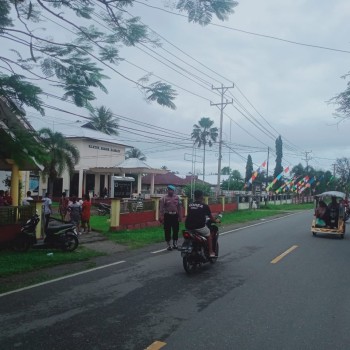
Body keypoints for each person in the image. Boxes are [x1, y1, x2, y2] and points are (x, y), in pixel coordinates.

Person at [185, 190, 218, 258]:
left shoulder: (190, 205)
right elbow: (211, 217)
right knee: (209, 234)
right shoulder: (204, 206)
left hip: (188, 226)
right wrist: (216, 221)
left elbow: (191, 214)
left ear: (194, 196)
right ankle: (211, 252)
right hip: (199, 227)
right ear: (201, 196)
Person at [159, 184, 182, 250]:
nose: (170, 191)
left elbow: (179, 207)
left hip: (175, 216)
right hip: (167, 216)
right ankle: (169, 244)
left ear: (173, 191)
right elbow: (161, 208)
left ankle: (175, 243)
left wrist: (180, 216)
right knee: (167, 230)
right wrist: (161, 217)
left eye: (171, 190)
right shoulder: (164, 198)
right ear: (167, 190)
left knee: (176, 230)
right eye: (169, 190)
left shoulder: (177, 198)